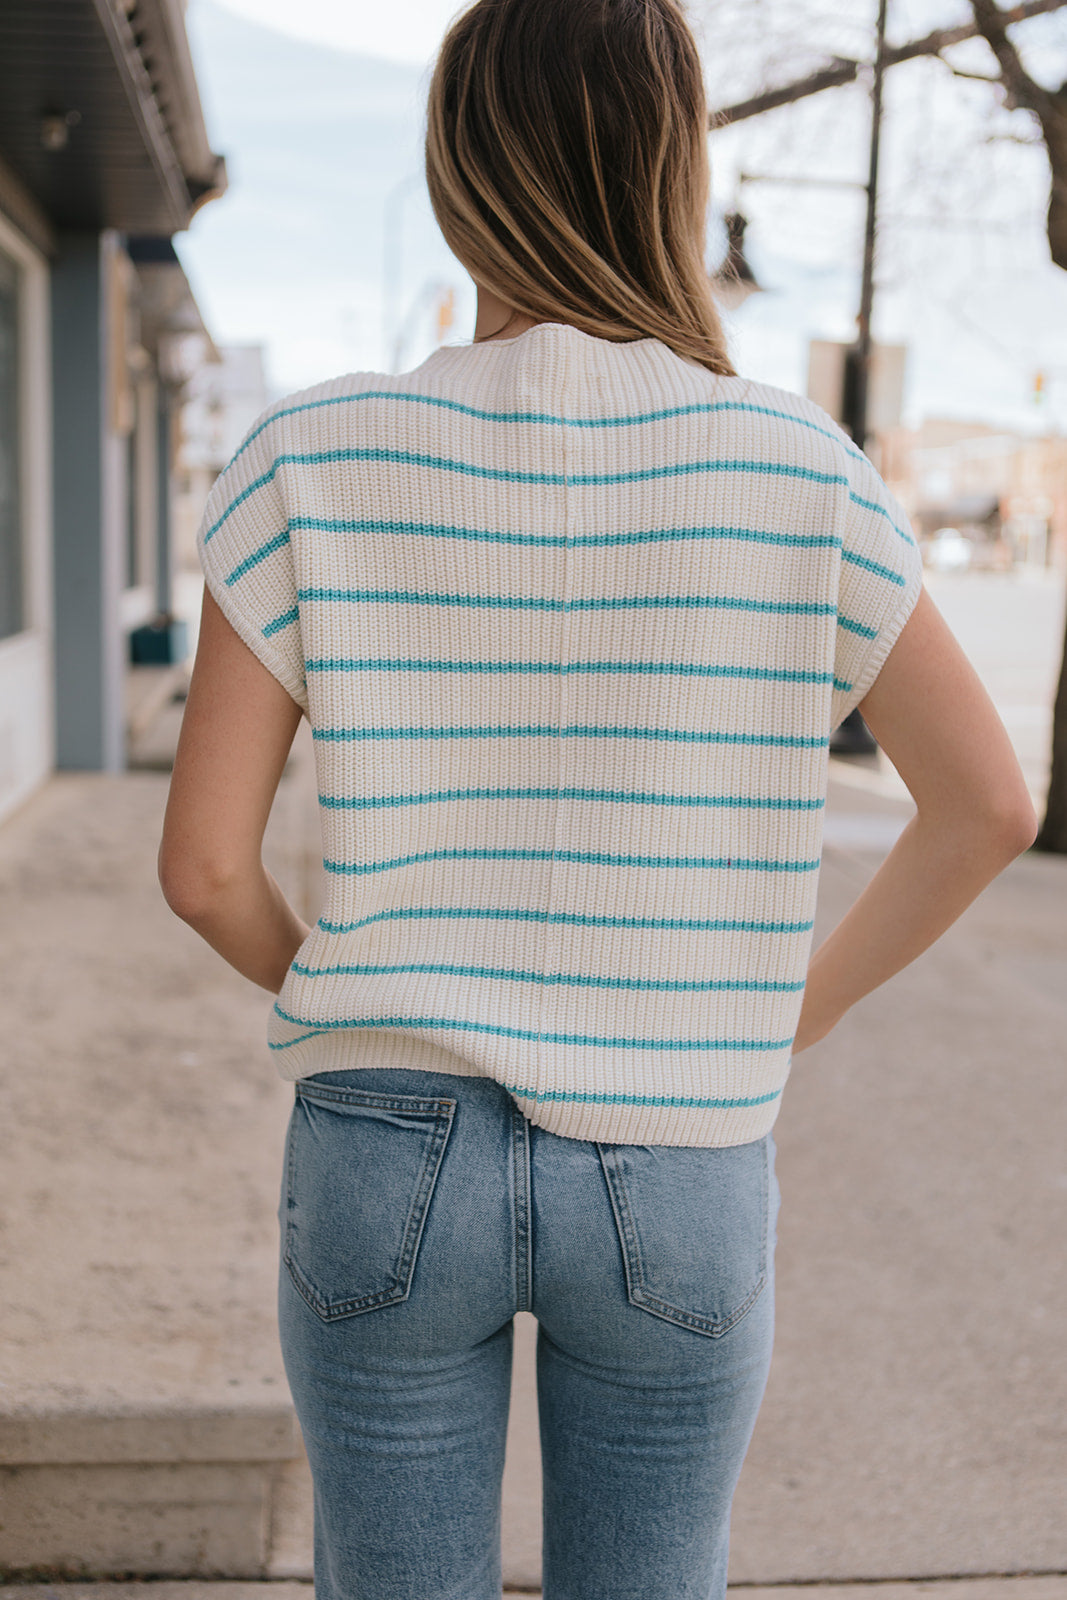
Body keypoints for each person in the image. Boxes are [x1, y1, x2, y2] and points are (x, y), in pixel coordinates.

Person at [158, 1, 1038, 1595]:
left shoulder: (309, 459)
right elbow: (985, 805)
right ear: (674, 170)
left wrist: (369, 1001)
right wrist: (792, 1013)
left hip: (379, 1145)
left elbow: (207, 869)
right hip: (681, 1148)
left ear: (456, 173)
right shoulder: (801, 476)